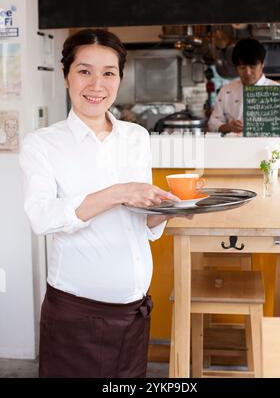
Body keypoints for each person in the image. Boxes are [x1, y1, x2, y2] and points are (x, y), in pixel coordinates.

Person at [19, 29, 185, 378]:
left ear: (120, 78)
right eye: (84, 71)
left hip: (134, 313)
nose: (97, 84)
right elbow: (42, 218)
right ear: (66, 76)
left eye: (108, 72)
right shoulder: (42, 144)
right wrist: (119, 192)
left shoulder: (136, 137)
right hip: (77, 317)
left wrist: (168, 210)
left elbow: (139, 222)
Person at [208, 38, 280, 134]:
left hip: (266, 148)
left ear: (262, 64)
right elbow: (212, 123)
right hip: (233, 147)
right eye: (242, 67)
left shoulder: (278, 91)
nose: (248, 73)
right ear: (236, 67)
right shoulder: (226, 91)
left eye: (253, 67)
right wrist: (228, 127)